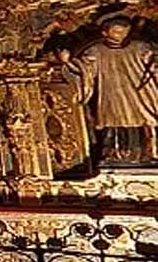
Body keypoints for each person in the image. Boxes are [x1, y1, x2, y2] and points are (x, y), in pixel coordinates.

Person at [57, 15, 158, 164]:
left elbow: (153, 65)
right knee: (114, 123)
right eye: (117, 32)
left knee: (146, 121)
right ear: (105, 33)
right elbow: (84, 70)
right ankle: (115, 154)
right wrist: (67, 62)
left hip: (141, 94)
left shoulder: (140, 47)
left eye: (124, 32)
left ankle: (149, 153)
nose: (121, 36)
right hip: (112, 94)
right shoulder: (95, 51)